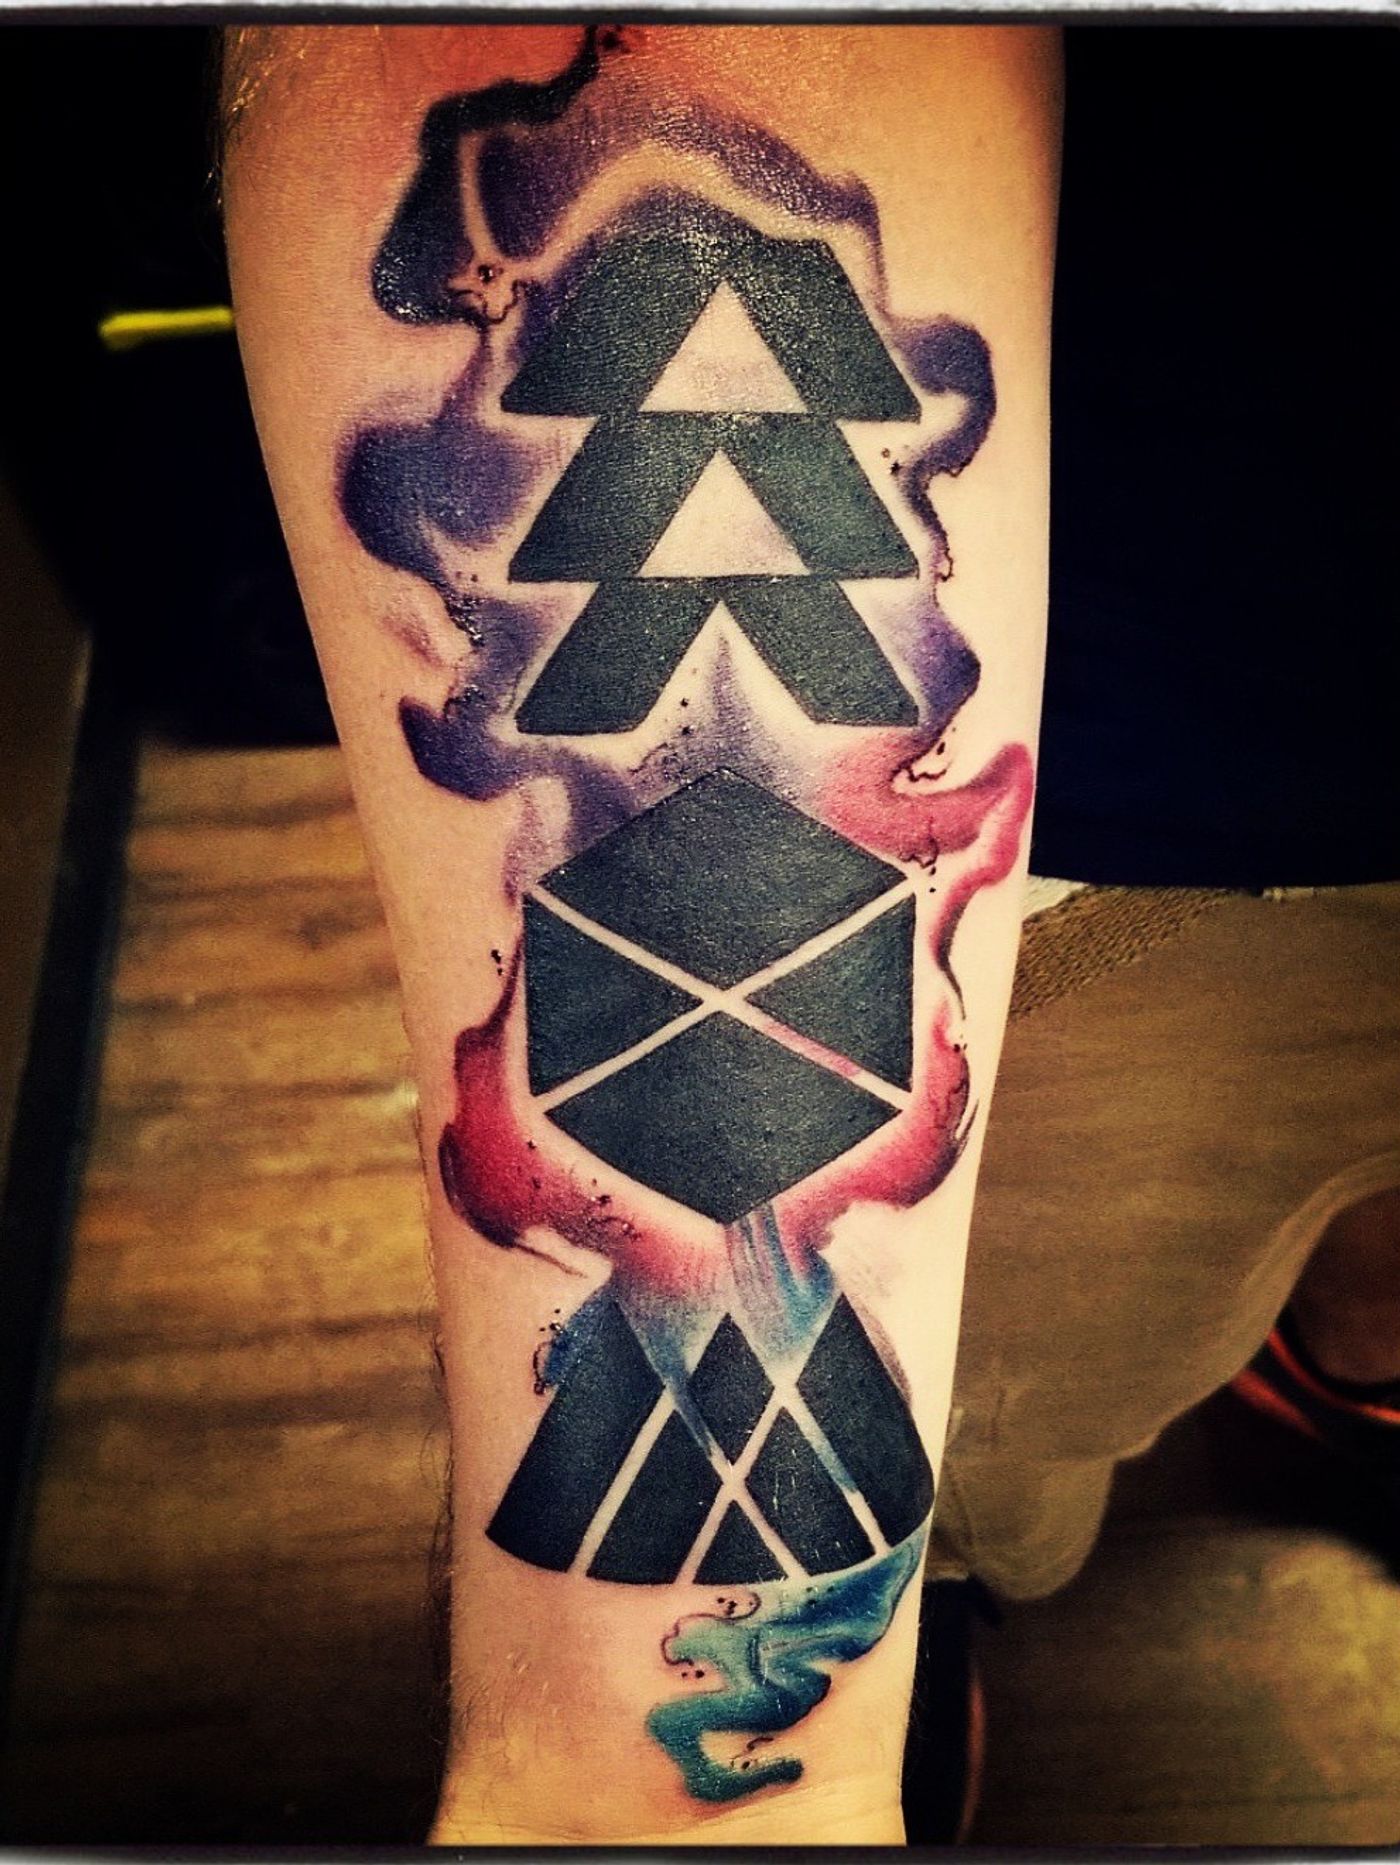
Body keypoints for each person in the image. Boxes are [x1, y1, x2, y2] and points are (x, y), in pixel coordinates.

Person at [222, 22, 1398, 1845]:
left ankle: (1345, 1348)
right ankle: (895, 1632)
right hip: (1142, 868)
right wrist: (661, 1787)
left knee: (1349, 1252)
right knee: (1015, 1405)